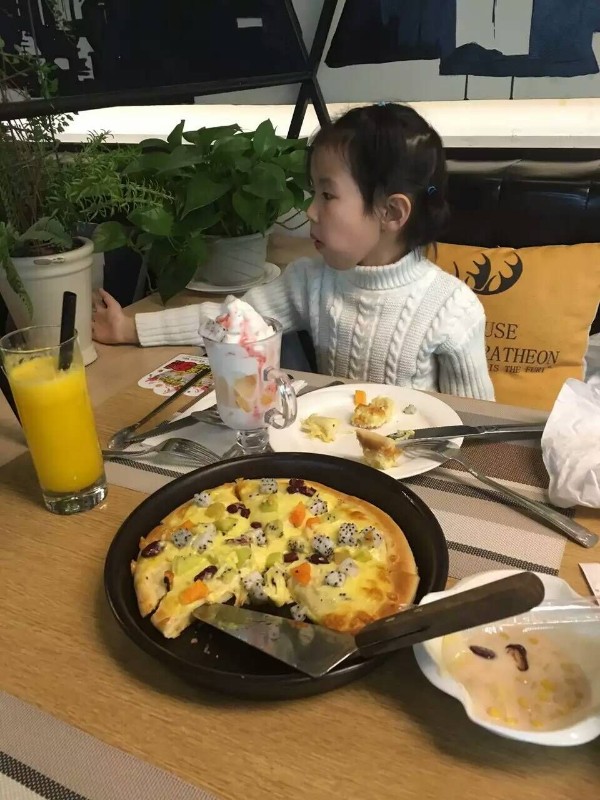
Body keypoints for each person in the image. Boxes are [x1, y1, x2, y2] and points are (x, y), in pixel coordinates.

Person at [93, 103, 494, 400]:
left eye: (327, 195)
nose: (310, 211)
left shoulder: (452, 309)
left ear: (391, 212)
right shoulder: (311, 281)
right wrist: (128, 329)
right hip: (328, 458)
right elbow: (230, 320)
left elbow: (480, 425)